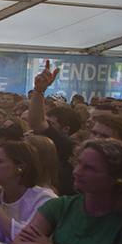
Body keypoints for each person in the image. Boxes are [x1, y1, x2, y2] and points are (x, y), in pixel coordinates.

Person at [27, 61, 79, 194]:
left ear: (66, 129)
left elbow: (38, 123)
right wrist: (39, 91)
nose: (46, 127)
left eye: (52, 124)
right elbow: (37, 123)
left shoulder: (65, 145)